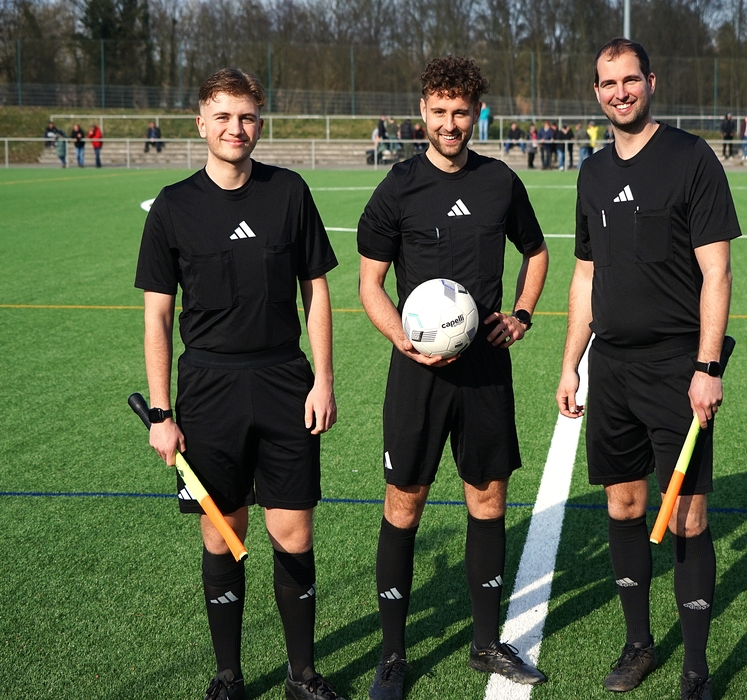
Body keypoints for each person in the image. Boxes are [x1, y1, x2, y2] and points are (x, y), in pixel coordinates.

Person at [134, 68, 343, 700]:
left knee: (294, 533)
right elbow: (157, 316)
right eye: (223, 116)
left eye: (247, 116)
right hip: (207, 389)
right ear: (201, 123)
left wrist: (324, 379)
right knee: (222, 533)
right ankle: (228, 675)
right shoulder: (173, 206)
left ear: (261, 123)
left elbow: (316, 291)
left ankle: (302, 675)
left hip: (285, 382)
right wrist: (162, 413)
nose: (236, 128)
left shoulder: (289, 192)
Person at [357, 55, 550, 700]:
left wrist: (522, 314)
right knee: (403, 504)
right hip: (416, 377)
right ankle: (392, 655)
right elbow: (369, 283)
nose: (449, 123)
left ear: (476, 114)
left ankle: (487, 643)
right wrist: (402, 339)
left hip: (486, 370)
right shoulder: (398, 187)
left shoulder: (499, 182)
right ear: (423, 112)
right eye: (439, 111)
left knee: (488, 500)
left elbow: (537, 252)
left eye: (460, 113)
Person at [558, 38, 739, 700]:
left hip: (675, 369)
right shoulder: (592, 173)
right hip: (612, 368)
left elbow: (716, 272)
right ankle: (639, 642)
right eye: (608, 84)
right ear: (596, 93)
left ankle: (696, 668)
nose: (621, 93)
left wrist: (707, 366)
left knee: (687, 515)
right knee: (624, 503)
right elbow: (585, 275)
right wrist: (570, 364)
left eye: (630, 80)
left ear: (651, 82)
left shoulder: (691, 158)